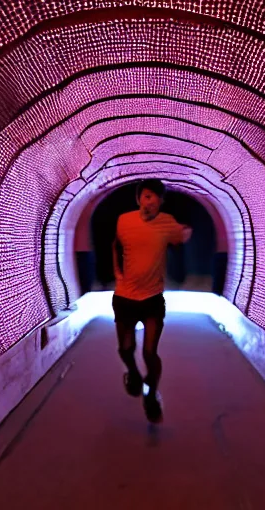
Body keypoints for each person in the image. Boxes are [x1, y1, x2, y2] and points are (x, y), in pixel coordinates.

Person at [112, 179, 192, 422]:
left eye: (156, 198)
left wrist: (186, 233)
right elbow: (115, 245)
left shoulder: (167, 223)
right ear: (139, 199)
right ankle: (133, 374)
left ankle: (151, 395)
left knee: (149, 352)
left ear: (160, 202)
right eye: (147, 196)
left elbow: (183, 234)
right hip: (125, 298)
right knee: (126, 349)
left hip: (152, 300)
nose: (151, 202)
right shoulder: (124, 220)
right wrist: (117, 272)